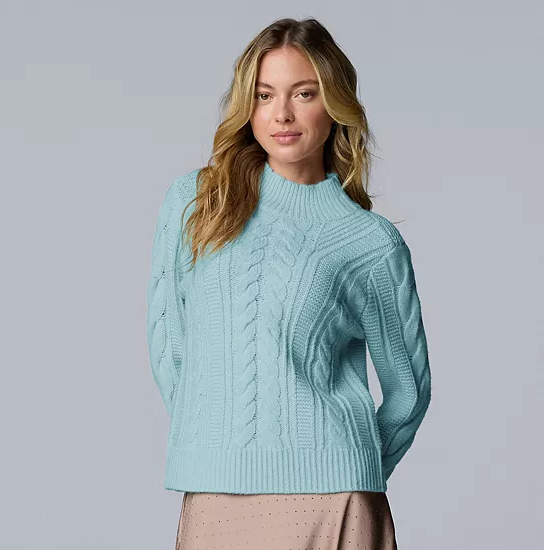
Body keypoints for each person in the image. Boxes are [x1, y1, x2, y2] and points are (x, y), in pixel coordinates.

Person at [146, 16, 432, 550]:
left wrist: (351, 463)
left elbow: (408, 389)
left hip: (335, 497)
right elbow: (171, 346)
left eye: (304, 93)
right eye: (264, 95)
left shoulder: (369, 241)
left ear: (334, 103)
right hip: (215, 488)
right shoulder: (196, 201)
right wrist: (218, 444)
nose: (281, 114)